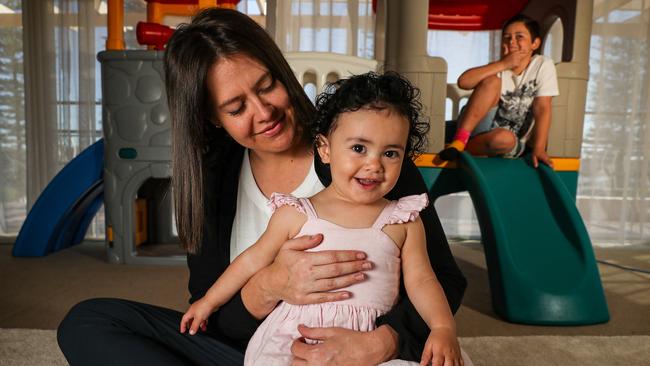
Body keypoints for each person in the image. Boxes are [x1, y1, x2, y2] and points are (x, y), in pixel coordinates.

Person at [57, 8, 467, 365]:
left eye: (267, 85)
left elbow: (442, 278)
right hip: (262, 352)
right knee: (89, 322)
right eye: (236, 107)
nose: (264, 112)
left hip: (360, 348)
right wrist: (271, 284)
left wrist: (380, 343)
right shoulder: (213, 177)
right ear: (212, 117)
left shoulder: (365, 153)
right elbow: (214, 318)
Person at [180, 72, 470, 366]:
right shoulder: (296, 213)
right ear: (325, 149)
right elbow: (252, 261)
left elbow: (423, 280)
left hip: (369, 338)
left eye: (391, 153)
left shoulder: (403, 220)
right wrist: (209, 302)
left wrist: (442, 327)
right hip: (297, 335)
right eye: (359, 148)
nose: (374, 164)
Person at [438, 14, 559, 168]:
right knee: (492, 81)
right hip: (472, 128)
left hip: (503, 140)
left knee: (504, 139)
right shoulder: (498, 67)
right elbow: (463, 82)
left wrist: (539, 148)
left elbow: (542, 107)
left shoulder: (543, 65)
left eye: (519, 37)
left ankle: (457, 150)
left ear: (535, 43)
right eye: (507, 37)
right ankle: (459, 141)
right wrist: (504, 64)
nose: (512, 42)